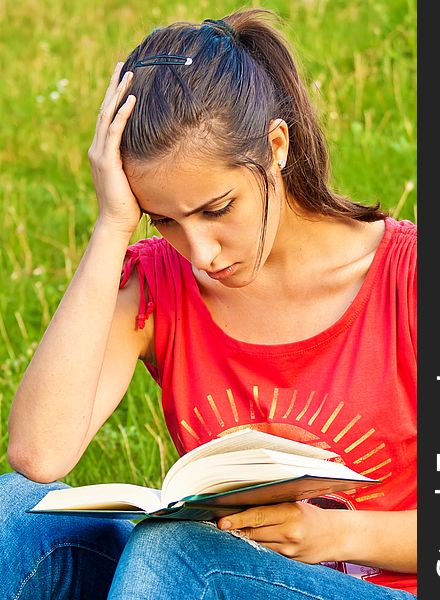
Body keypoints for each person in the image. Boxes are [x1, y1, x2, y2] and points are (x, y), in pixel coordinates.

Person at [0, 8, 417, 599]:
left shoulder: (420, 279)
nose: (199, 250)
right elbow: (40, 453)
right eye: (164, 218)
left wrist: (333, 534)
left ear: (276, 146)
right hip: (207, 577)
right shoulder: (161, 282)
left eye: (217, 208)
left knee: (177, 557)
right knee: (13, 513)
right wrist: (113, 225)